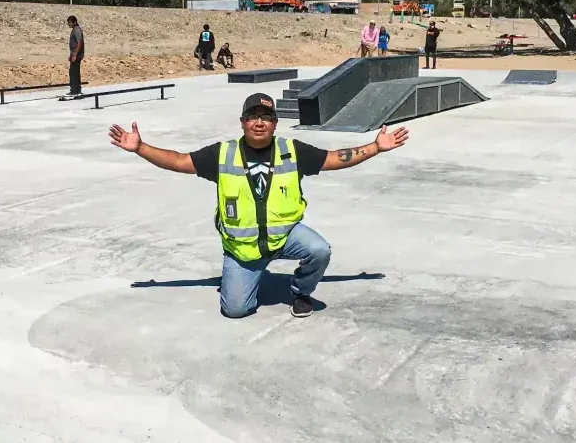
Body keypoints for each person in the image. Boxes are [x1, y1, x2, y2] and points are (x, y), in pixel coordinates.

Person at [108, 93, 410, 319]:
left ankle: (301, 292)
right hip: (244, 248)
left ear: (275, 124)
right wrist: (141, 148)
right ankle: (246, 273)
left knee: (319, 249)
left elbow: (334, 158)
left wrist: (375, 147)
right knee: (236, 311)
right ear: (242, 122)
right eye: (252, 116)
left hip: (285, 236)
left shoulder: (291, 150)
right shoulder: (223, 154)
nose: (259, 122)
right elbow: (179, 160)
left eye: (266, 116)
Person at [67, 16, 84, 96]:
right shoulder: (75, 29)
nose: (68, 24)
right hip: (74, 54)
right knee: (74, 72)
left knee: (73, 73)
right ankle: (77, 89)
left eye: (70, 22)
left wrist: (75, 55)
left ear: (75, 22)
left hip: (77, 55)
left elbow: (79, 42)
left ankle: (74, 90)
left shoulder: (77, 30)